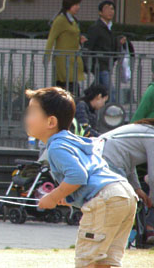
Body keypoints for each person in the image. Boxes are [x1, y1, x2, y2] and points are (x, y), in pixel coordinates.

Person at [25, 87, 137, 268]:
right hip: (124, 194)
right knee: (106, 262)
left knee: (87, 261)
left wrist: (52, 197)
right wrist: (68, 197)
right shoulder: (72, 141)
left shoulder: (56, 147)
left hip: (105, 198)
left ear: (51, 121)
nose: (26, 118)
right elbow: (87, 175)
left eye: (31, 112)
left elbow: (78, 176)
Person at [100, 119, 154, 243]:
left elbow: (129, 160)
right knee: (120, 205)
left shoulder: (144, 130)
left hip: (101, 156)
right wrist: (152, 199)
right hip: (110, 160)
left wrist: (137, 188)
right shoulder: (151, 135)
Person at [45, 0, 86, 96]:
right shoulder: (61, 20)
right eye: (75, 4)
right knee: (67, 86)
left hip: (73, 59)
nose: (78, 7)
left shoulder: (73, 20)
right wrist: (47, 57)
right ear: (69, 4)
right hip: (63, 60)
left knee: (68, 87)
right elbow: (51, 38)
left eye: (78, 4)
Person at [84, 1, 126, 89]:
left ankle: (86, 99)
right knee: (111, 91)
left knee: (97, 88)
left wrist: (119, 42)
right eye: (107, 8)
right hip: (99, 64)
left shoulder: (109, 28)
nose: (110, 11)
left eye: (112, 9)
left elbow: (111, 45)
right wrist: (88, 64)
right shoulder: (96, 28)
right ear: (100, 12)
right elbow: (88, 46)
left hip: (107, 65)